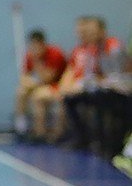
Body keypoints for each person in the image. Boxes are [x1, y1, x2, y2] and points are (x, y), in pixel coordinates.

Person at [58, 16, 129, 155]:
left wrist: (93, 83)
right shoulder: (93, 49)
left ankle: (109, 143)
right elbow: (90, 75)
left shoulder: (113, 46)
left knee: (99, 97)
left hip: (122, 91)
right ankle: (82, 138)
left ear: (102, 31)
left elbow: (116, 77)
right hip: (104, 89)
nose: (90, 35)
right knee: (71, 99)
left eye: (92, 31)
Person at [16, 29, 67, 141]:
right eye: (32, 45)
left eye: (36, 45)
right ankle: (21, 127)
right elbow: (24, 77)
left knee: (38, 96)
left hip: (57, 85)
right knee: (21, 92)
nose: (34, 48)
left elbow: (48, 78)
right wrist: (28, 83)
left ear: (43, 44)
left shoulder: (55, 53)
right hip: (41, 85)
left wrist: (36, 61)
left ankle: (41, 133)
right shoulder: (29, 55)